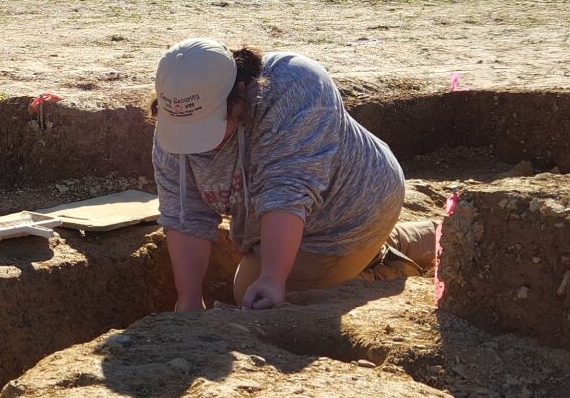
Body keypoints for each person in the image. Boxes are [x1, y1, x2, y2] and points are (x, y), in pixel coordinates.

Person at [151, 38, 434, 311]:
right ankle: (415, 240)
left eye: (205, 128)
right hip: (294, 219)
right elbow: (185, 213)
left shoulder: (295, 88)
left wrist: (273, 279)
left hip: (353, 211)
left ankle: (378, 275)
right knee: (254, 284)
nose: (195, 145)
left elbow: (285, 192)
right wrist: (188, 298)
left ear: (237, 100)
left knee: (253, 294)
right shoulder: (176, 123)